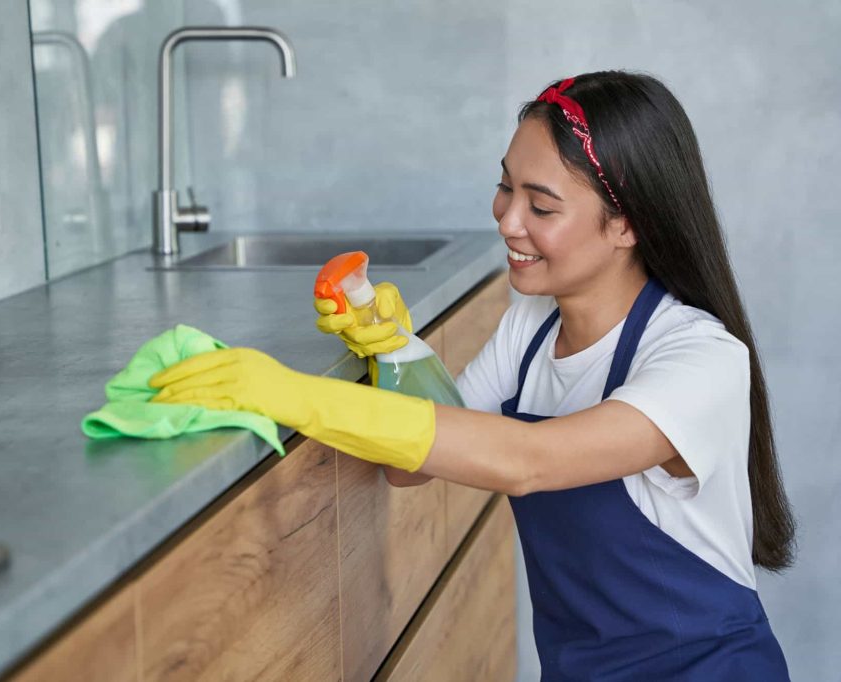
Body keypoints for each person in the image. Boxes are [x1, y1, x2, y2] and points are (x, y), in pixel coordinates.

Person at [150, 70, 795, 680]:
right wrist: (396, 349)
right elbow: (414, 466)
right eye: (506, 186)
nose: (506, 218)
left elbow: (529, 461)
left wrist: (292, 393)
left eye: (541, 207)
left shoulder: (701, 358)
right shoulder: (532, 329)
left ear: (627, 223)